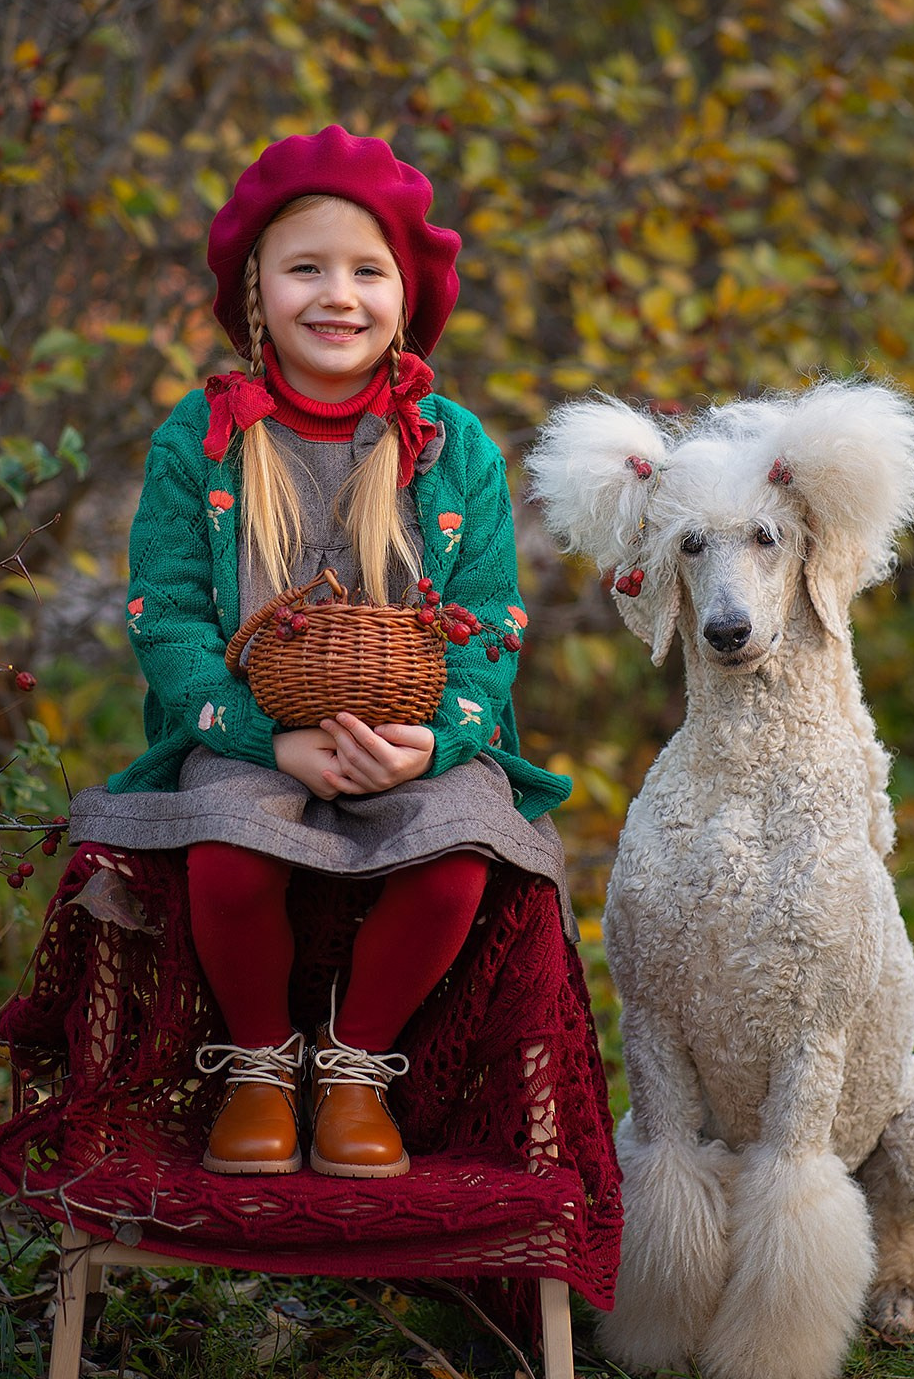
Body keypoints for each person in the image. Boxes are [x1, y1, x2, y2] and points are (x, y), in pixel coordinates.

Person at [67, 126, 572, 1185]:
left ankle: (351, 1072)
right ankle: (259, 1064)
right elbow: (167, 621)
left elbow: (489, 617)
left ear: (404, 295)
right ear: (256, 293)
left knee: (456, 858)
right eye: (305, 268)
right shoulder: (199, 438)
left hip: (412, 730)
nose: (335, 296)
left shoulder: (451, 445)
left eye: (365, 271)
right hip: (249, 731)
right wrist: (265, 740)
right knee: (229, 852)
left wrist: (434, 745)